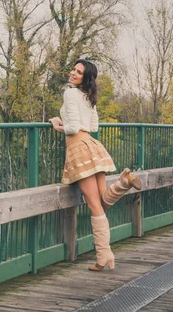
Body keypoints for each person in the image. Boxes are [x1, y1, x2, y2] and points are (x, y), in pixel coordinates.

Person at [49, 59, 141, 272]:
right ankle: (123, 184)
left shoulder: (70, 94)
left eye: (78, 72)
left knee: (94, 205)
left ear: (85, 77)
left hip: (78, 148)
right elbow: (92, 126)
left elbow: (72, 128)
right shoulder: (88, 96)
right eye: (73, 69)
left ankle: (103, 254)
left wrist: (56, 124)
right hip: (91, 144)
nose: (73, 73)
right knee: (101, 200)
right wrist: (66, 124)